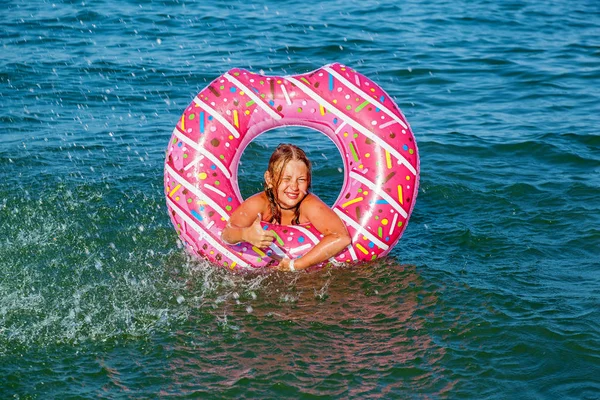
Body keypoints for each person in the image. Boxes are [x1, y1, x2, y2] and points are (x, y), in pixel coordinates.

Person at [221, 143, 351, 271]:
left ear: (309, 180)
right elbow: (227, 234)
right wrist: (246, 234)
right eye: (286, 179)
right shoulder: (259, 204)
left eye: (301, 180)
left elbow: (341, 237)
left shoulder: (310, 206)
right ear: (269, 179)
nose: (294, 187)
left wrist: (296, 265)